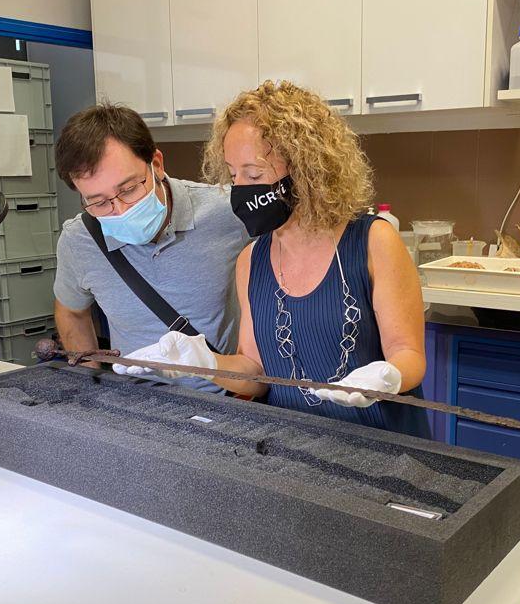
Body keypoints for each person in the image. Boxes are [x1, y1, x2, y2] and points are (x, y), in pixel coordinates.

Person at [116, 81, 430, 437]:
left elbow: (409, 353)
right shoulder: (251, 260)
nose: (241, 189)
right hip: (290, 446)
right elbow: (255, 373)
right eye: (233, 175)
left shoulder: (373, 241)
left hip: (381, 442)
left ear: (306, 169)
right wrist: (204, 363)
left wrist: (389, 376)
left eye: (254, 174)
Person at [52, 104, 249, 393]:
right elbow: (72, 312)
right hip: (136, 401)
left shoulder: (229, 212)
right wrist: (90, 384)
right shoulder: (79, 241)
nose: (120, 210)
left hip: (227, 399)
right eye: (99, 202)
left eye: (129, 189)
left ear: (156, 164)